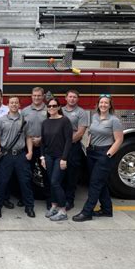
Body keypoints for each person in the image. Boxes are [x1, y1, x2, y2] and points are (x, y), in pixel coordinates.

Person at [73, 94, 124, 222]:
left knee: (95, 183)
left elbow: (119, 140)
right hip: (92, 152)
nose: (103, 105)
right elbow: (90, 133)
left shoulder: (114, 120)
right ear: (98, 104)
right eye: (101, 103)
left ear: (110, 105)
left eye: (106, 103)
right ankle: (107, 210)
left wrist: (108, 155)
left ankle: (87, 212)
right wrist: (87, 146)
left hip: (104, 153)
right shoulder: (94, 117)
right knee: (101, 182)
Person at [0, 96, 36, 218]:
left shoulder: (25, 120)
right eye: (12, 103)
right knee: (1, 182)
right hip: (6, 155)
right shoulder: (1, 120)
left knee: (25, 181)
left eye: (16, 102)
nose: (14, 104)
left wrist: (30, 152)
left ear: (19, 105)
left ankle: (29, 207)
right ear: (8, 104)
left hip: (21, 154)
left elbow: (28, 137)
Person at [40, 97, 73, 221]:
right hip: (48, 156)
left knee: (55, 182)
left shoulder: (65, 121)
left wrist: (64, 158)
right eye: (49, 106)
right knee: (50, 182)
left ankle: (63, 210)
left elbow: (69, 141)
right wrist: (42, 157)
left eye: (54, 106)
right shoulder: (45, 122)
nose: (51, 108)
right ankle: (54, 206)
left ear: (59, 107)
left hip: (60, 157)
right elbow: (42, 142)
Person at [61, 90, 88, 211]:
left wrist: (67, 142)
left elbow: (81, 132)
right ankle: (59, 198)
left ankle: (69, 200)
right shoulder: (59, 110)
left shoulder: (81, 112)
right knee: (60, 174)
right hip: (59, 147)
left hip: (73, 147)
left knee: (72, 174)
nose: (72, 99)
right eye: (70, 97)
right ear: (65, 98)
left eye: (74, 97)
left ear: (77, 99)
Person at [21, 87, 48, 207]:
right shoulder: (25, 111)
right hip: (28, 147)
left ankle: (49, 199)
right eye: (34, 95)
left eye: (39, 95)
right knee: (27, 174)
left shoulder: (49, 110)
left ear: (43, 97)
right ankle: (26, 198)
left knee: (46, 173)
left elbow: (52, 128)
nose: (36, 97)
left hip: (44, 146)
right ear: (31, 96)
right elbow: (21, 129)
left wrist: (41, 139)